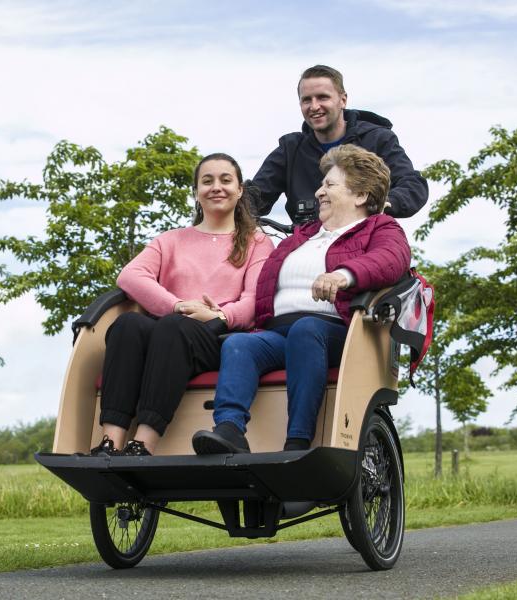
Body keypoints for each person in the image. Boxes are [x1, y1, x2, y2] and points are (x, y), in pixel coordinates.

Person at [193, 144, 411, 455]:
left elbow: (391, 259)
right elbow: (261, 287)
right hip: (279, 332)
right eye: (322, 184)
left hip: (337, 332)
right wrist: (223, 308)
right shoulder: (302, 236)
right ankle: (229, 430)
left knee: (306, 330)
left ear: (361, 196)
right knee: (239, 345)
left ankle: (298, 441)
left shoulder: (380, 227)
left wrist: (343, 275)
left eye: (330, 185)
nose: (320, 192)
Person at [91, 153, 275, 457]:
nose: (217, 187)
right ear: (196, 192)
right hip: (171, 327)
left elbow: (255, 300)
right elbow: (130, 275)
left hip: (218, 337)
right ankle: (111, 441)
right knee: (127, 325)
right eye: (207, 181)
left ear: (240, 190)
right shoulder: (171, 240)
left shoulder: (256, 241)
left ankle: (144, 443)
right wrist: (177, 305)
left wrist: (218, 314)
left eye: (226, 180)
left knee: (172, 329)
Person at [251, 64, 428, 221]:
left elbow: (412, 185)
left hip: (364, 241)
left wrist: (382, 204)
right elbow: (255, 196)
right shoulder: (290, 149)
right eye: (306, 100)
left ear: (343, 100)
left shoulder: (377, 139)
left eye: (322, 97)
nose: (314, 106)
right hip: (307, 242)